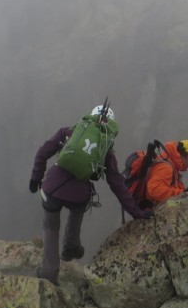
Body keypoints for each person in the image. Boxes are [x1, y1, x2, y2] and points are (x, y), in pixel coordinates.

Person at [29, 104, 151, 285]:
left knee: (51, 226)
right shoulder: (105, 151)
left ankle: (49, 273)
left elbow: (42, 153)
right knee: (78, 208)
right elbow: (117, 185)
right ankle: (71, 247)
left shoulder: (68, 132)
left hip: (51, 189)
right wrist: (137, 212)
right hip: (78, 197)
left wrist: (35, 179)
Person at [142, 140, 188, 206]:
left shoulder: (173, 165)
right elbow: (154, 190)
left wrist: (185, 192)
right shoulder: (167, 167)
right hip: (151, 210)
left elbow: (177, 189)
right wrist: (182, 193)